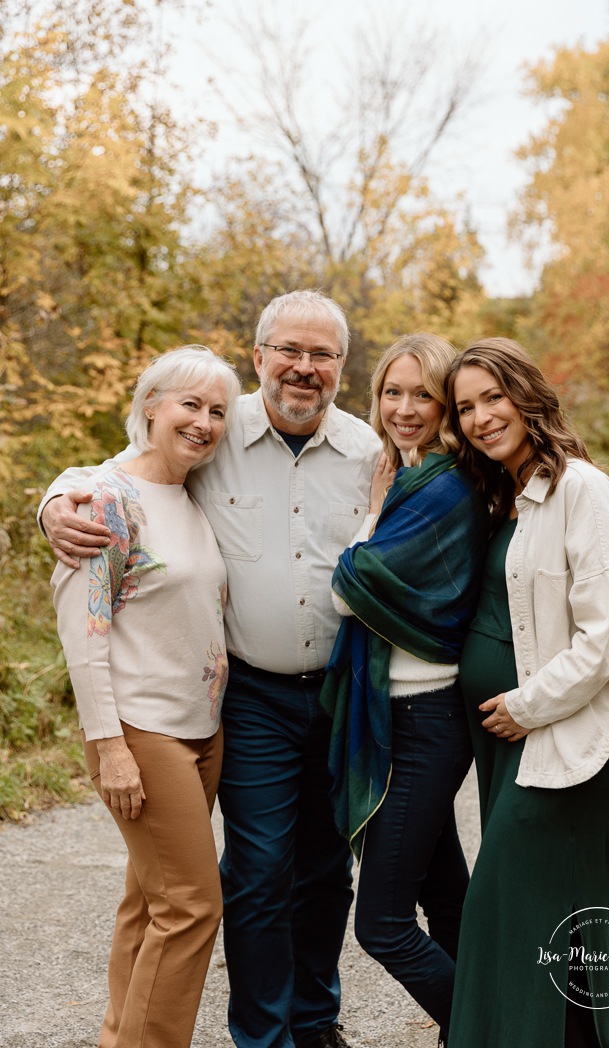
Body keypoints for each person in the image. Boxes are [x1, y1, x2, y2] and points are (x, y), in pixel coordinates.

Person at [39, 291, 382, 1048]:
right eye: (287, 350)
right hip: (249, 697)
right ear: (257, 357)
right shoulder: (217, 432)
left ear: (341, 369)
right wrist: (55, 502)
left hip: (331, 691)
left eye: (321, 355)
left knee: (325, 872)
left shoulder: (366, 451)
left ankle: (314, 1022)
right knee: (248, 876)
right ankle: (262, 1037)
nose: (303, 368)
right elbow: (119, 475)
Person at [441, 337, 609, 1048]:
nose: (481, 417)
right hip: (514, 739)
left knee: (500, 907)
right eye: (465, 407)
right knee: (563, 920)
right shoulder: (507, 492)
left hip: (568, 735)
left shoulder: (581, 487)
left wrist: (524, 705)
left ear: (526, 393)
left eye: (493, 396)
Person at [51, 346, 241, 1048]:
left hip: (201, 728)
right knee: (192, 906)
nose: (203, 421)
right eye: (189, 404)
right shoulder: (105, 497)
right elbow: (84, 633)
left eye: (217, 410)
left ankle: (116, 1036)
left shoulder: (194, 496)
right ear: (151, 405)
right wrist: (110, 748)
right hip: (141, 730)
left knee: (150, 899)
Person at [320, 335, 488, 1046]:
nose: (404, 408)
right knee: (444, 892)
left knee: (383, 925)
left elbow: (350, 589)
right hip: (402, 712)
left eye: (423, 393)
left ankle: (493, 1026)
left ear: (446, 401)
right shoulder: (417, 474)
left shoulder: (442, 483)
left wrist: (374, 507)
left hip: (424, 718)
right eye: (392, 392)